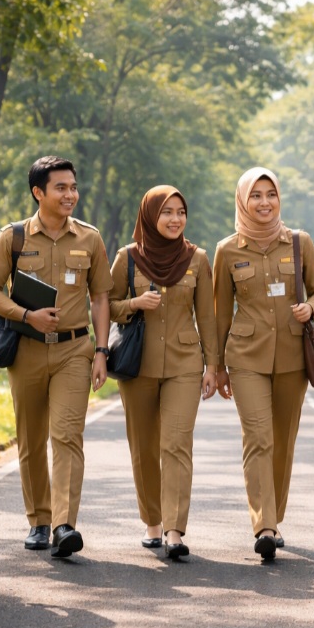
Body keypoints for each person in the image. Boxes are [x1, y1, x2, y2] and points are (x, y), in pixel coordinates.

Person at [0, 156, 113, 558]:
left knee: (67, 436)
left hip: (74, 350)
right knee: (31, 438)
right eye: (61, 187)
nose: (70, 195)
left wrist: (100, 349)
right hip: (26, 350)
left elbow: (101, 297)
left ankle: (63, 524)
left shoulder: (90, 239)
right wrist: (26, 315)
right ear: (38, 192)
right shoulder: (13, 238)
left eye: (73, 187)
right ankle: (39, 521)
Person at [213, 167, 314, 560]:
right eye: (256, 196)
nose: (264, 202)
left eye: (271, 194)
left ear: (280, 198)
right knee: (258, 437)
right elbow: (219, 314)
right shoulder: (227, 250)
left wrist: (310, 308)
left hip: (294, 357)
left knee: (283, 441)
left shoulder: (299, 242)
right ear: (243, 201)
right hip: (245, 357)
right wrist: (216, 366)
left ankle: (274, 517)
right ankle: (264, 525)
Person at [108, 185, 218, 560]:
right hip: (137, 365)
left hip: (185, 365)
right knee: (143, 447)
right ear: (150, 216)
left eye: (181, 212)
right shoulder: (127, 258)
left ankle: (174, 530)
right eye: (166, 212)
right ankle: (152, 523)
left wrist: (213, 366)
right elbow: (106, 306)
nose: (175, 219)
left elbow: (207, 316)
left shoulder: (198, 259)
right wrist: (135, 303)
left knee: (176, 444)